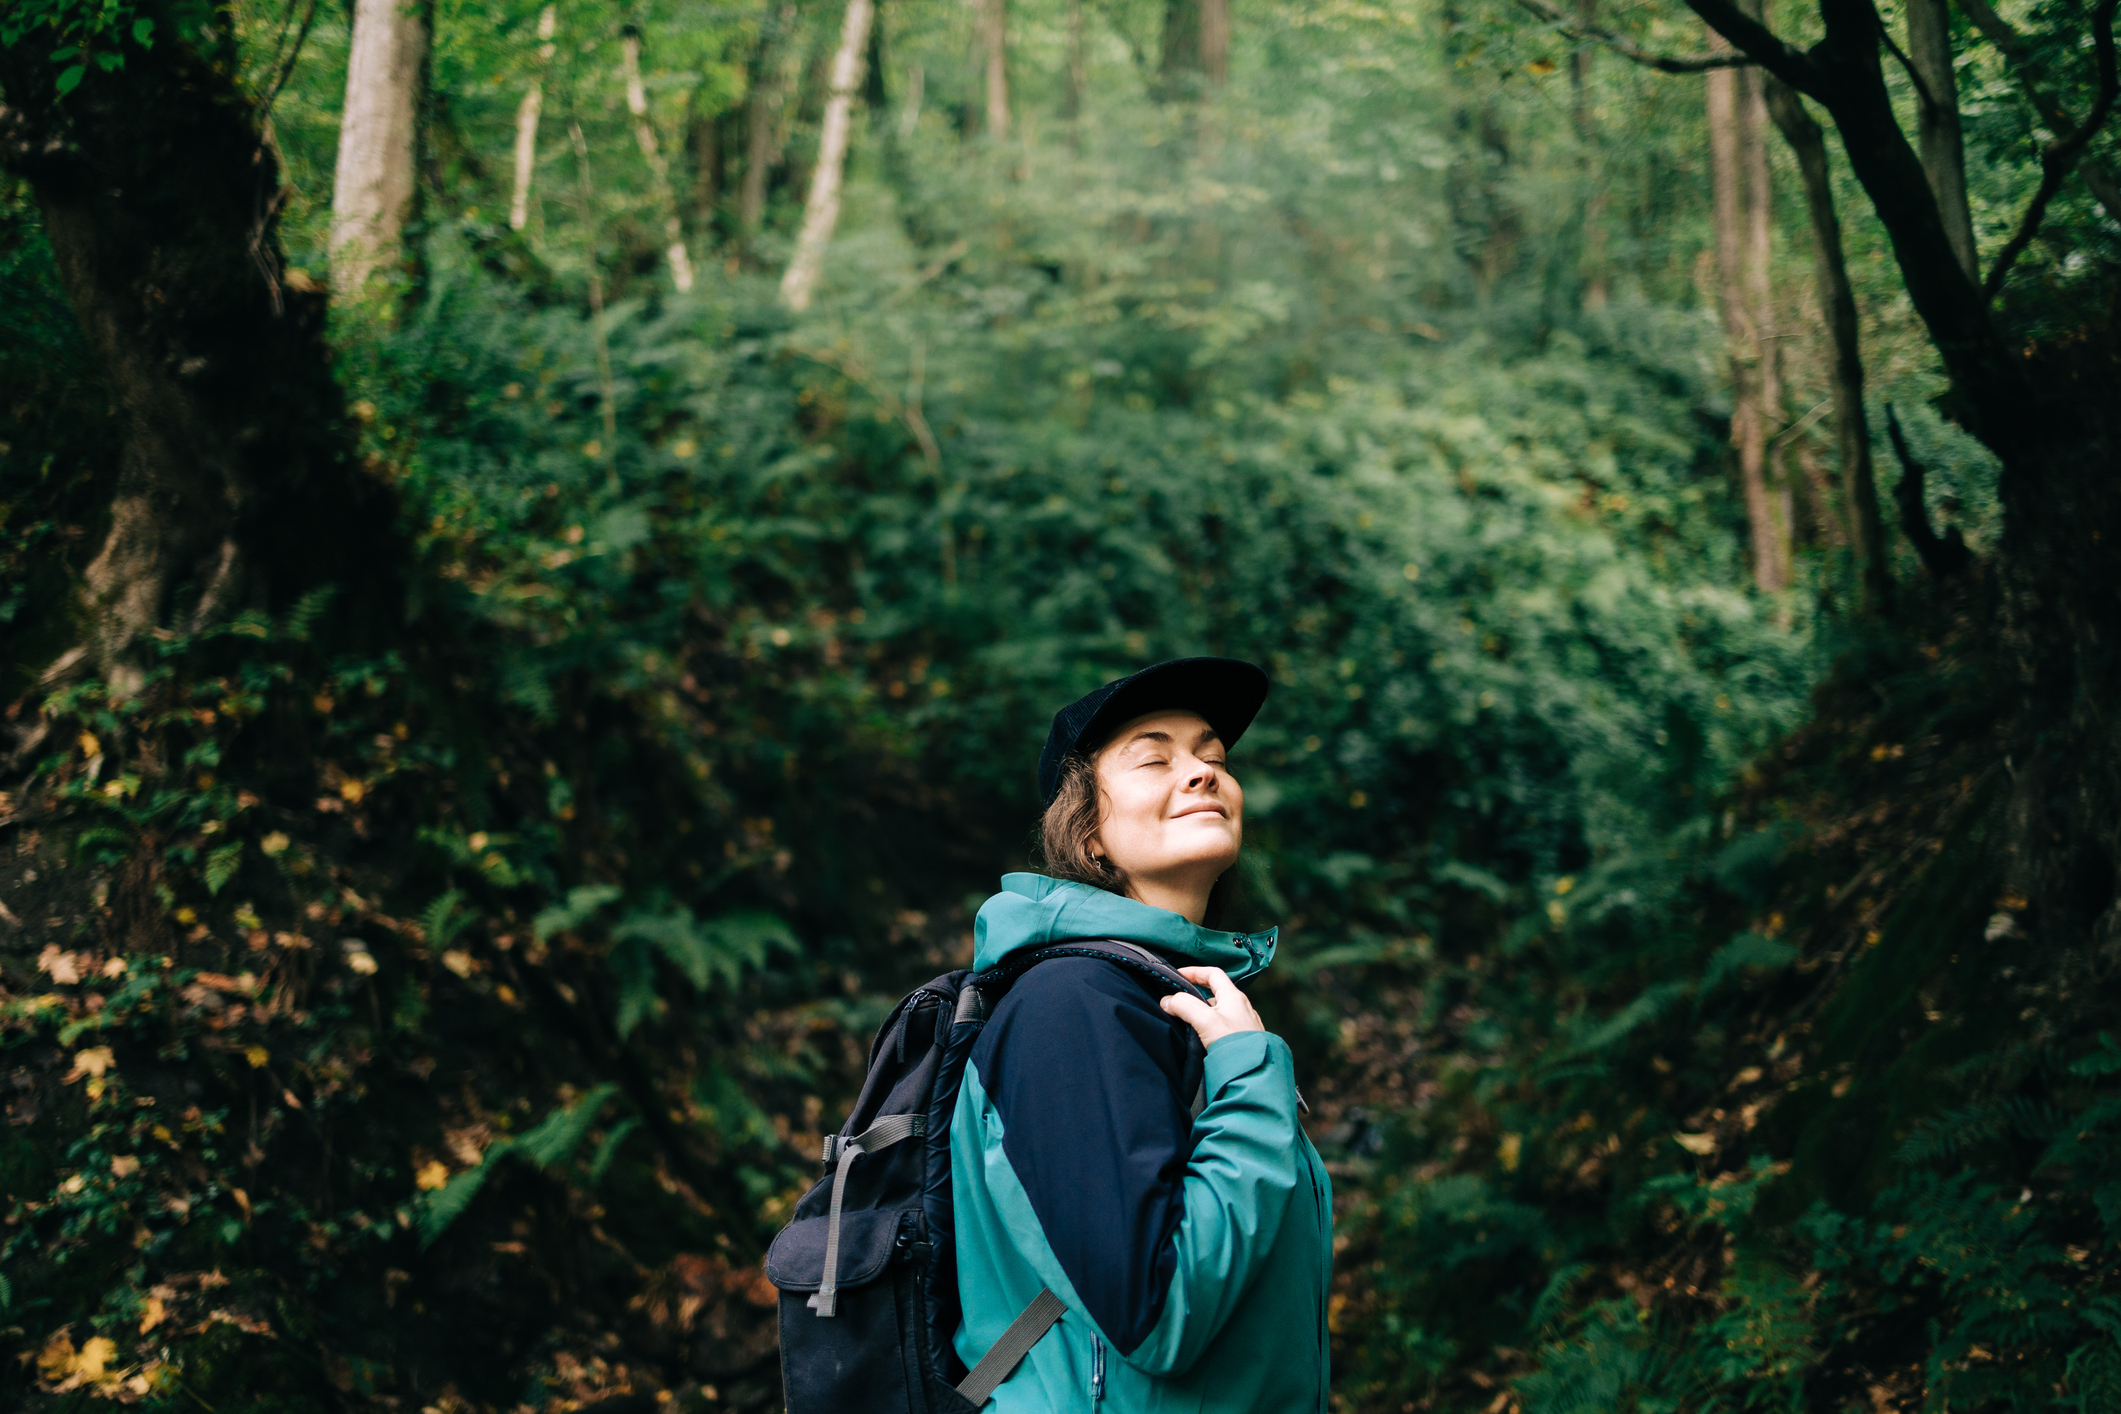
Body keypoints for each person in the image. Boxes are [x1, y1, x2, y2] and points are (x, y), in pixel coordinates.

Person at [950, 657, 1333, 1412]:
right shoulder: (1071, 1005)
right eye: (1155, 758)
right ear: (1089, 833)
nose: (1200, 773)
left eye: (1213, 757)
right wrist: (1250, 1079)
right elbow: (1156, 1315)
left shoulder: (1158, 1001)